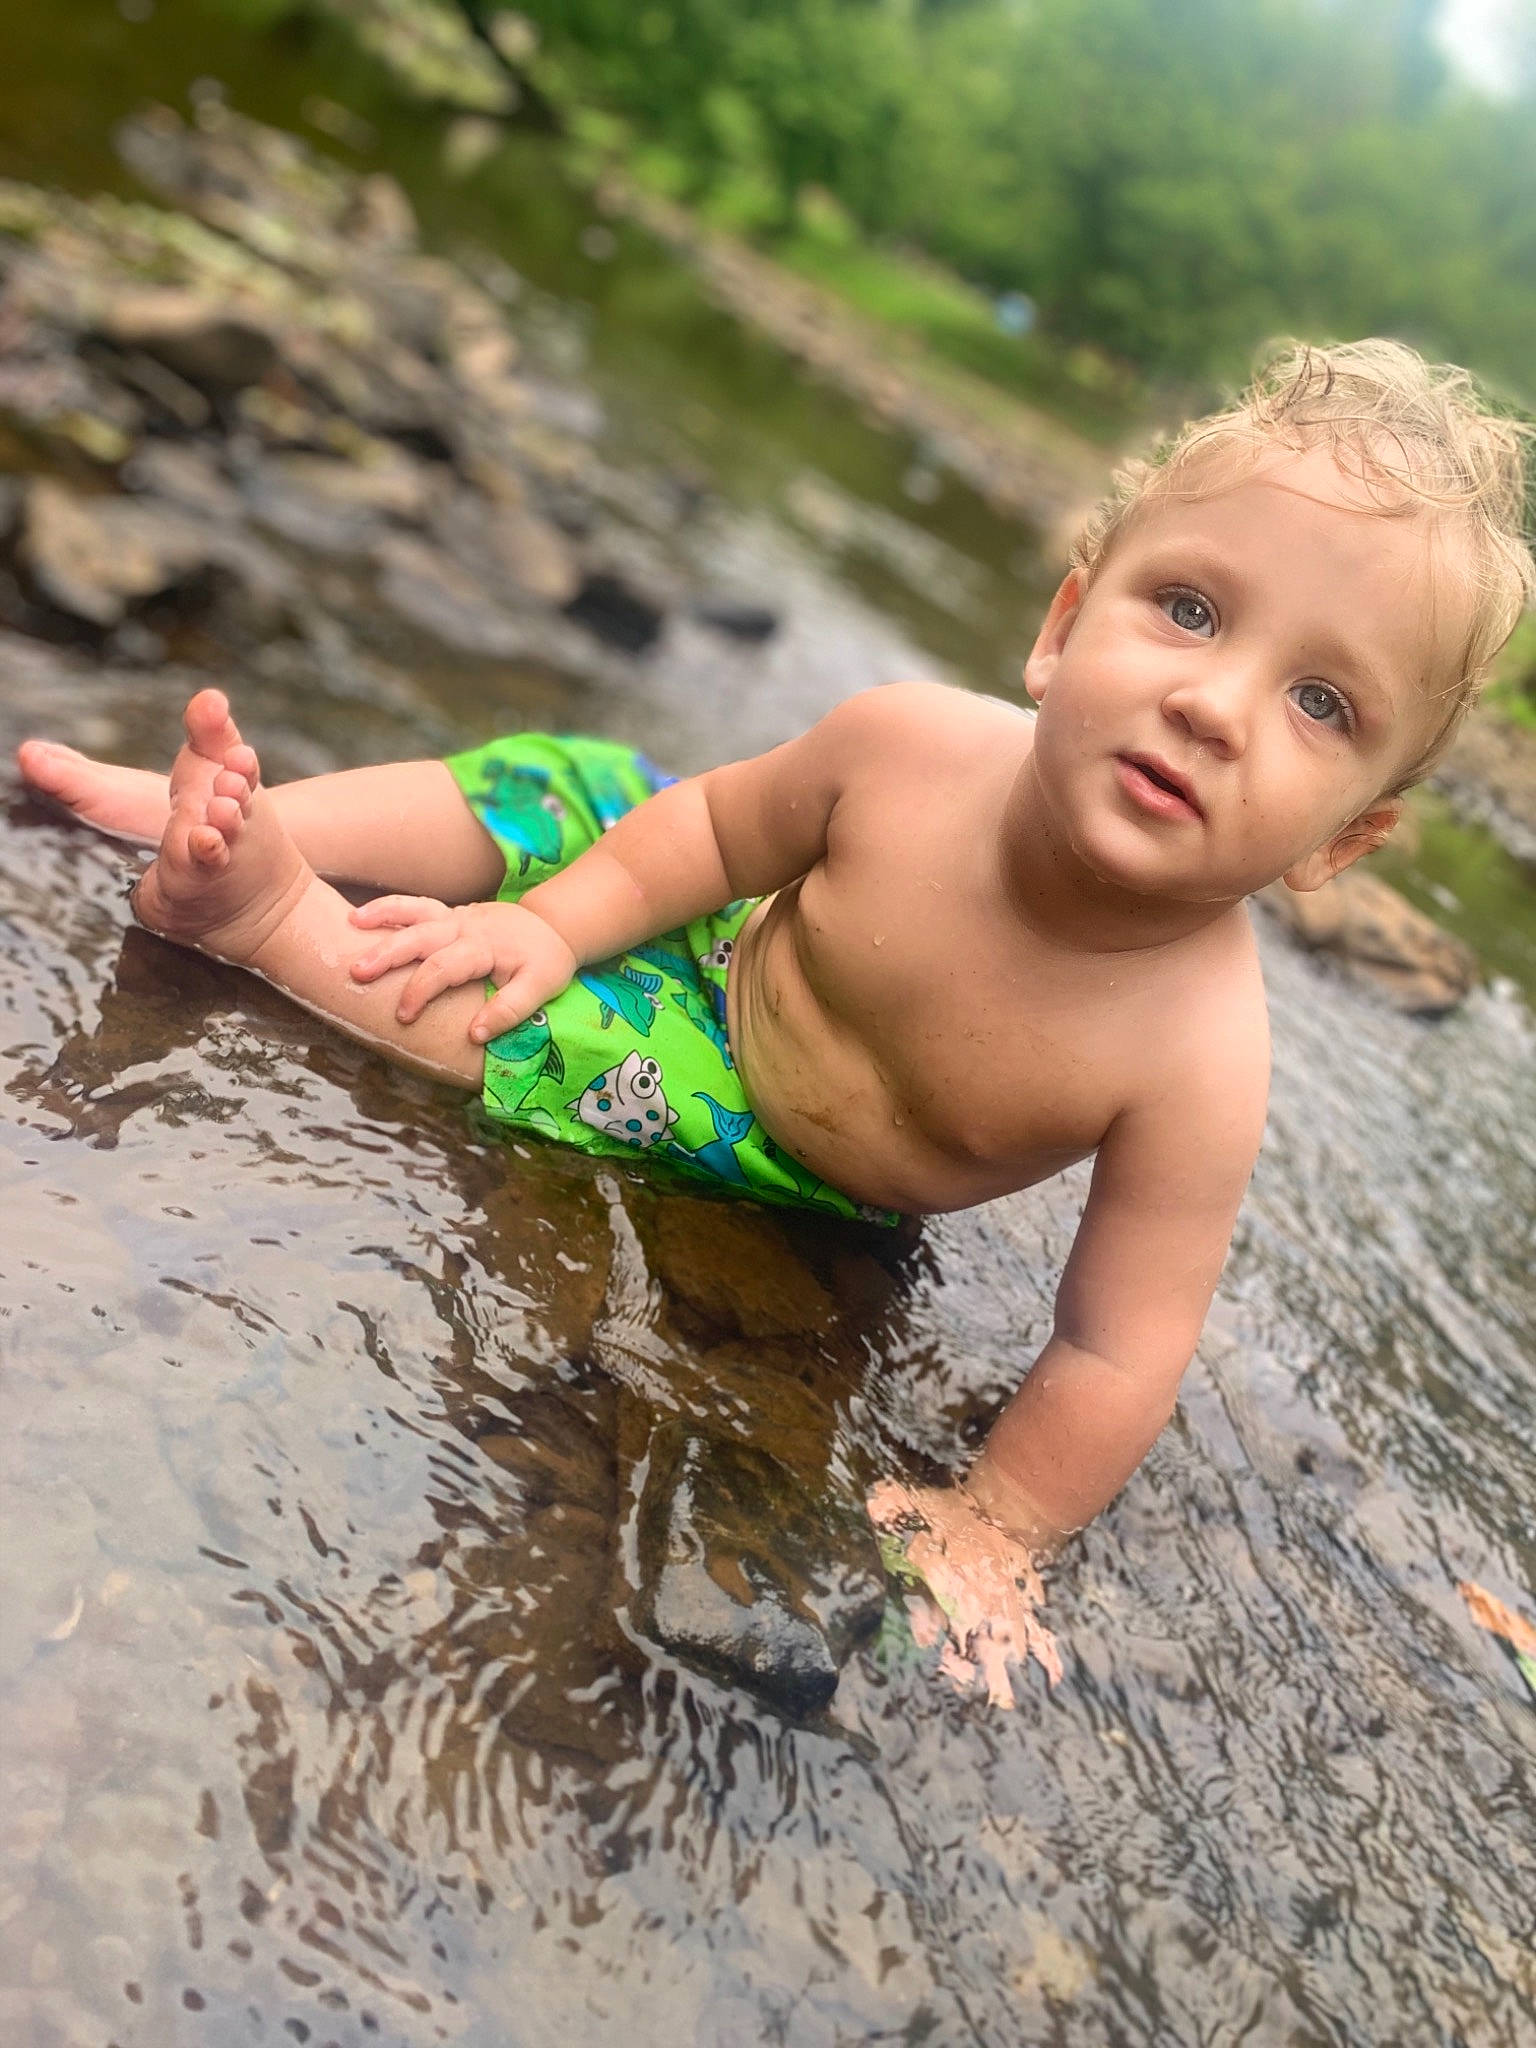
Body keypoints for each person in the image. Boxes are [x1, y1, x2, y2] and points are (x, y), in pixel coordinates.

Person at [18, 340, 1533, 1703]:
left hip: (745, 1116)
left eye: (1321, 705)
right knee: (555, 784)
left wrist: (998, 1523)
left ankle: (265, 912)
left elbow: (1117, 1346)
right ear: (1065, 624)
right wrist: (557, 920)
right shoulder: (910, 744)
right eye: (1189, 610)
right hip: (724, 929)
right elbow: (712, 832)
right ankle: (230, 812)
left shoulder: (1200, 1058)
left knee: (537, 1039)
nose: (1216, 703)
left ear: (1343, 843)